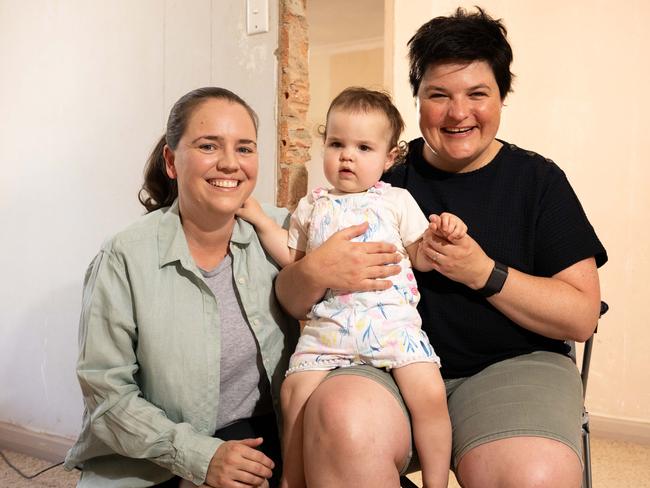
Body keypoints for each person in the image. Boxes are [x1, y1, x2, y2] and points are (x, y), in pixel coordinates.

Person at [274, 7, 608, 488]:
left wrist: (484, 273)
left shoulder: (538, 182)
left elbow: (581, 316)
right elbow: (290, 294)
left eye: (477, 94)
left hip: (511, 369)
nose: (458, 113)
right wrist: (319, 271)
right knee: (339, 423)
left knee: (534, 475)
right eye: (438, 95)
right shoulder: (375, 180)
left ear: (501, 96)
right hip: (381, 362)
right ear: (417, 101)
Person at [63, 87, 299, 488]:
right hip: (156, 456)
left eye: (245, 149)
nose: (230, 164)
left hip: (268, 438)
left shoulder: (284, 231)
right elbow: (106, 394)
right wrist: (200, 457)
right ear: (172, 162)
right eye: (209, 145)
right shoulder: (125, 255)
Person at [238, 87, 464, 488]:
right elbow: (294, 260)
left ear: (388, 157)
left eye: (363, 147)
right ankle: (293, 480)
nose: (347, 156)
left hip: (393, 326)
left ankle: (436, 482)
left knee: (429, 393)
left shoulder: (397, 201)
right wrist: (260, 219)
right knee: (294, 394)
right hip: (330, 328)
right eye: (337, 143)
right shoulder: (313, 205)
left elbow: (421, 256)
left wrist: (442, 236)